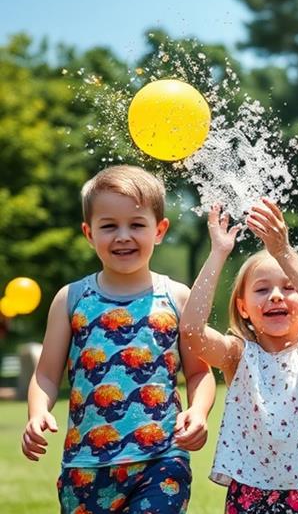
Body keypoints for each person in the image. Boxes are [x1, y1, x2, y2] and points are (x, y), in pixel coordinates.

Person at [21, 165, 215, 512]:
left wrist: (198, 412)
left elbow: (199, 373)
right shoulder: (72, 299)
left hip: (161, 460)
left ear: (159, 230)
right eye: (109, 226)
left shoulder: (176, 297)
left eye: (136, 225)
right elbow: (46, 375)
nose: (123, 236)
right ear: (88, 233)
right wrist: (37, 413)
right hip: (85, 465)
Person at [179, 198, 298, 513]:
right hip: (248, 492)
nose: (276, 295)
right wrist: (217, 253)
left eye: (289, 287)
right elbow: (191, 332)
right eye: (262, 289)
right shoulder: (237, 355)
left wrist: (283, 251)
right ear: (243, 307)